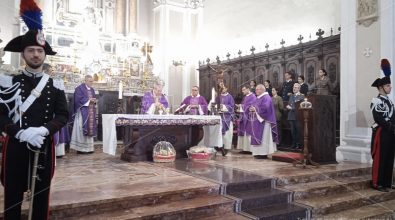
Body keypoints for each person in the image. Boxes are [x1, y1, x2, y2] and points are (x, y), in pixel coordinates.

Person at [0, 5, 69, 219]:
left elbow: (63, 115)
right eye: (31, 50)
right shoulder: (8, 81)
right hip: (16, 147)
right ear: (23, 54)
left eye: (40, 51)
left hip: (43, 146)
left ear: (45, 54)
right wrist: (18, 132)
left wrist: (44, 130)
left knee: (41, 195)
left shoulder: (55, 84)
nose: (36, 54)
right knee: (12, 195)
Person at [370, 59, 395, 192]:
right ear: (381, 88)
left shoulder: (389, 101)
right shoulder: (376, 100)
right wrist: (390, 127)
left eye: (390, 85)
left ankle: (387, 182)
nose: (390, 87)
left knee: (390, 156)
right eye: (388, 86)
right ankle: (377, 182)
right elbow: (378, 117)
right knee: (381, 157)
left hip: (391, 131)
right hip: (382, 132)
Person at [43, 63, 70, 158]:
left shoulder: (55, 83)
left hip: (57, 114)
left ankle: (59, 152)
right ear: (44, 71)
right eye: (50, 71)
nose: (52, 73)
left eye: (51, 71)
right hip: (48, 114)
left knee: (59, 130)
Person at [70, 75, 97, 154]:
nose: (91, 83)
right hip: (82, 112)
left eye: (92, 81)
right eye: (90, 81)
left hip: (90, 111)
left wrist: (94, 101)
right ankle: (81, 149)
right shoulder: (79, 88)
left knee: (90, 128)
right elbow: (78, 100)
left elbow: (93, 99)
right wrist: (89, 100)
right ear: (85, 81)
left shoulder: (92, 90)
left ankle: (89, 148)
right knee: (81, 129)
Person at [249, 84, 278, 158]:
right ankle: (258, 153)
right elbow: (253, 106)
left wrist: (255, 109)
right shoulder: (258, 98)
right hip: (257, 121)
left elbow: (265, 108)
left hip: (264, 121)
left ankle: (263, 154)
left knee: (264, 137)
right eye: (256, 89)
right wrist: (251, 108)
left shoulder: (266, 97)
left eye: (257, 89)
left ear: (262, 90)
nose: (256, 91)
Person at [214, 85, 235, 156]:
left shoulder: (230, 97)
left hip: (227, 117)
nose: (222, 89)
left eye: (224, 88)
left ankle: (226, 147)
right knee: (219, 132)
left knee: (227, 134)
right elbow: (215, 105)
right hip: (219, 116)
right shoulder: (218, 97)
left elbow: (232, 107)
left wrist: (224, 107)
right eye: (221, 88)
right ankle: (219, 145)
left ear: (227, 88)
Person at [236, 85, 257, 153]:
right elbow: (244, 105)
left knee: (248, 133)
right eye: (242, 90)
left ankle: (249, 149)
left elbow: (252, 106)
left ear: (248, 89)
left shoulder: (253, 96)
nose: (243, 91)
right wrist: (240, 106)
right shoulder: (245, 97)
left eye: (244, 90)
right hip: (243, 117)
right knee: (243, 133)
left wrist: (242, 106)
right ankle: (244, 148)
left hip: (249, 118)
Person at [286, 83, 305, 149]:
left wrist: (292, 108)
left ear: (299, 88)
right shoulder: (291, 96)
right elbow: (289, 104)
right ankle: (294, 143)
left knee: (298, 130)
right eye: (294, 87)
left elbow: (300, 106)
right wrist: (288, 106)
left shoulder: (302, 96)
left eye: (296, 87)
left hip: (297, 116)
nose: (294, 88)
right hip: (291, 115)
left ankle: (298, 143)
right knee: (292, 131)